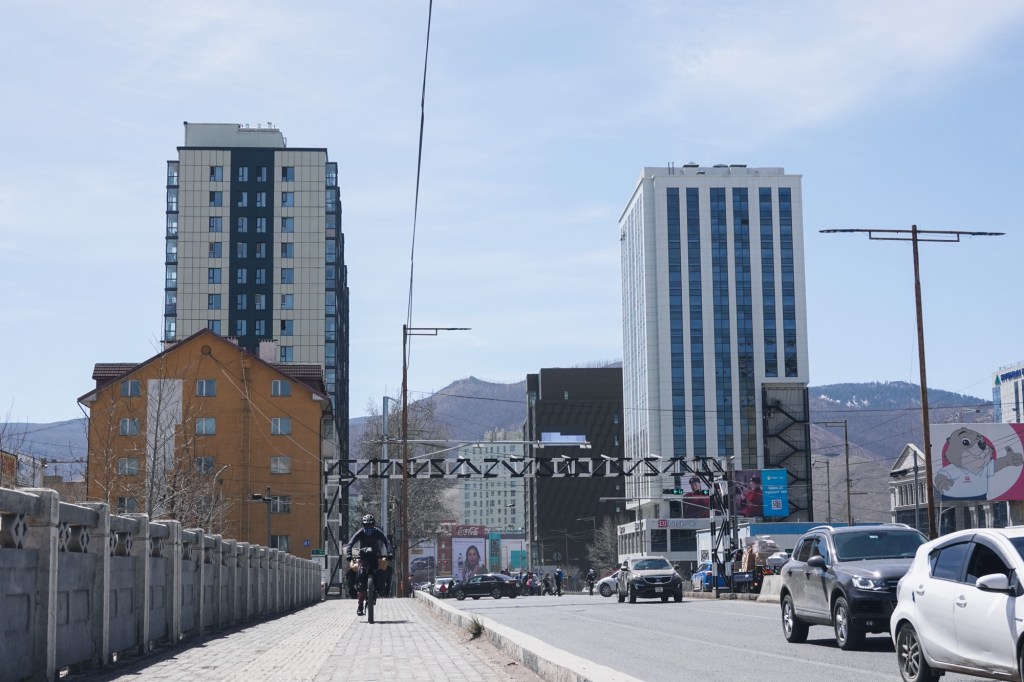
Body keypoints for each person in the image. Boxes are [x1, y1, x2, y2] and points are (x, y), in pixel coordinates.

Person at [344, 514, 393, 617]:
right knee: (360, 577)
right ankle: (360, 605)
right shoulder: (360, 532)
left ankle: (386, 590)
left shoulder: (378, 532)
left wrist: (390, 552)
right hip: (363, 559)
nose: (368, 528)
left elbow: (387, 542)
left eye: (370, 525)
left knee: (386, 570)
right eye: (366, 525)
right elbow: (350, 543)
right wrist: (349, 554)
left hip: (376, 558)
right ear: (363, 525)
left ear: (373, 525)